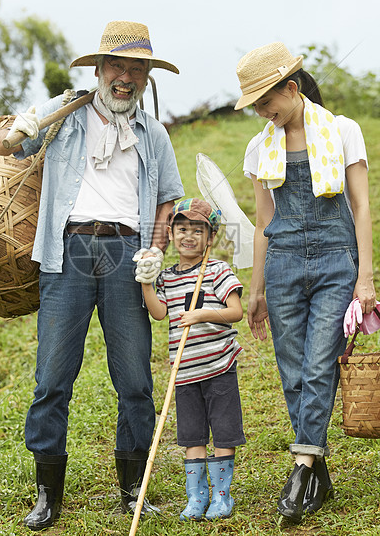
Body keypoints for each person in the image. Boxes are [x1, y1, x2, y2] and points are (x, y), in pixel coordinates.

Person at [0, 20, 184, 531]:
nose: (126, 78)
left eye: (137, 69)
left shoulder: (154, 133)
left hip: (127, 253)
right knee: (52, 378)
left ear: (147, 76)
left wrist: (156, 250)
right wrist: (27, 123)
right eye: (117, 67)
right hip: (68, 251)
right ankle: (46, 495)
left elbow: (168, 198)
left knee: (136, 381)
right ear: (98, 70)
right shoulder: (66, 116)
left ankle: (131, 487)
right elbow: (4, 150)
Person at [234, 42, 377, 523]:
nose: (262, 112)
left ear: (291, 89)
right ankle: (316, 465)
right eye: (255, 106)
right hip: (284, 266)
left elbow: (360, 207)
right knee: (292, 371)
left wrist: (366, 278)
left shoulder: (342, 132)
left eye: (266, 102)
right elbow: (262, 224)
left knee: (319, 366)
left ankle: (298, 472)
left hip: (337, 263)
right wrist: (255, 292)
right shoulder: (260, 147)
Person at [135, 198, 245, 521]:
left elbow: (235, 312)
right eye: (181, 228)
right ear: (169, 233)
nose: (188, 236)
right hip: (184, 373)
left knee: (223, 432)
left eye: (198, 230)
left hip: (218, 367)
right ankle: (197, 498)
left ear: (210, 237)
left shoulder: (217, 270)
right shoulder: (167, 277)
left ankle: (222, 496)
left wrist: (201, 315)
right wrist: (145, 284)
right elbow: (159, 313)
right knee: (192, 435)